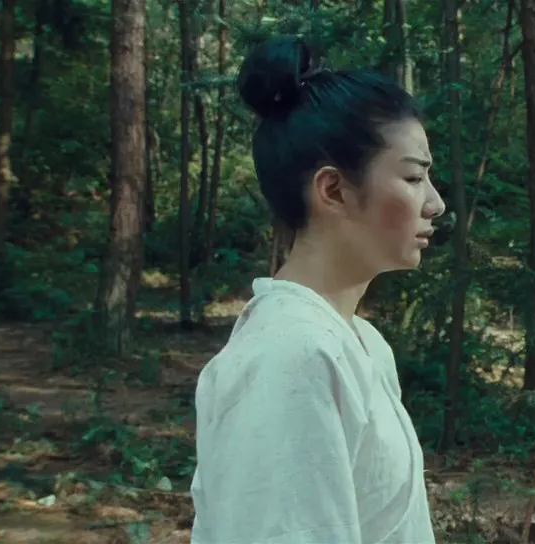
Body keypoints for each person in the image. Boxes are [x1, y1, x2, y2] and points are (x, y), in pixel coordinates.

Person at [189, 36, 443, 544]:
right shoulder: (291, 355)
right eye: (414, 178)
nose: (435, 203)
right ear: (333, 190)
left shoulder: (360, 343)